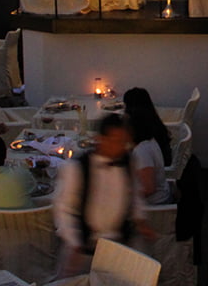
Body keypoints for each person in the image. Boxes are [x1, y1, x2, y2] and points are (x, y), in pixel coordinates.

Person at [54, 114, 151, 276]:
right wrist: (74, 241)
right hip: (84, 250)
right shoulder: (76, 168)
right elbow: (63, 208)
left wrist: (140, 219)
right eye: (116, 140)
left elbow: (134, 195)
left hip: (120, 247)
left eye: (124, 141)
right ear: (100, 139)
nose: (121, 146)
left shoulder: (128, 161)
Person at [125, 87, 174, 205]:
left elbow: (149, 189)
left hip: (153, 204)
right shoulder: (149, 140)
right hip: (159, 194)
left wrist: (122, 193)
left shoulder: (142, 151)